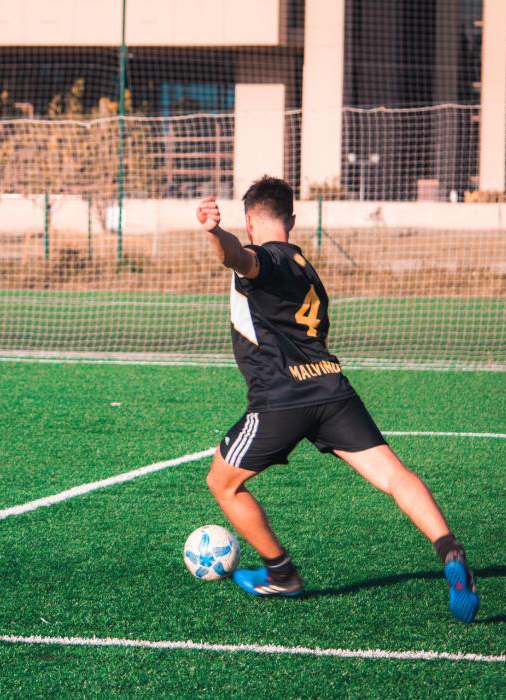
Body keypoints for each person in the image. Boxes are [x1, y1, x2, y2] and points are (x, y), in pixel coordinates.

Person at [196, 176, 479, 623]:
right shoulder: (307, 268)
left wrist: (215, 233)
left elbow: (240, 259)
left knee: (222, 483)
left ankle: (282, 573)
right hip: (332, 390)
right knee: (393, 474)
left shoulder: (266, 258)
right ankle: (450, 550)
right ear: (292, 218)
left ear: (250, 221)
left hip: (282, 398)